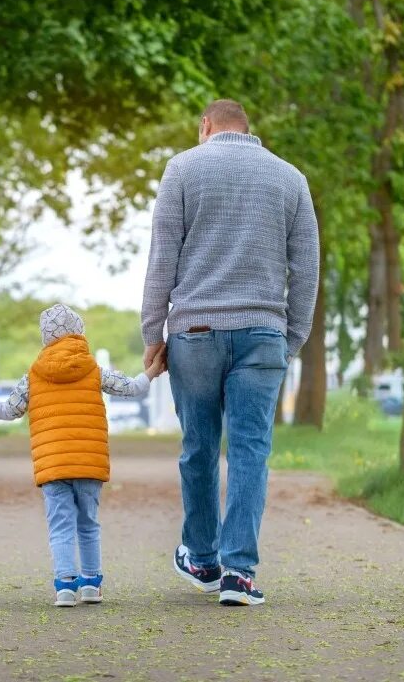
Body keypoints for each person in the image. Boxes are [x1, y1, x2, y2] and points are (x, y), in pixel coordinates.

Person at [141, 99, 319, 606]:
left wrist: (154, 332)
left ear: (205, 126)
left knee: (199, 445)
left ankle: (201, 557)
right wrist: (293, 337)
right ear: (248, 128)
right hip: (264, 330)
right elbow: (306, 267)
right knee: (250, 449)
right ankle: (239, 574)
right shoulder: (290, 179)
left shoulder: (182, 168)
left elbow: (162, 257)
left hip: (195, 328)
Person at [0, 304, 166, 607]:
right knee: (88, 523)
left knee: (60, 526)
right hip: (88, 464)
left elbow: (8, 410)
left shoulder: (33, 375)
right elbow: (131, 389)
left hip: (52, 465)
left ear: (46, 338)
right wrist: (152, 371)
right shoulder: (93, 369)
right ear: (79, 334)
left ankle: (65, 587)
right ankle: (92, 584)